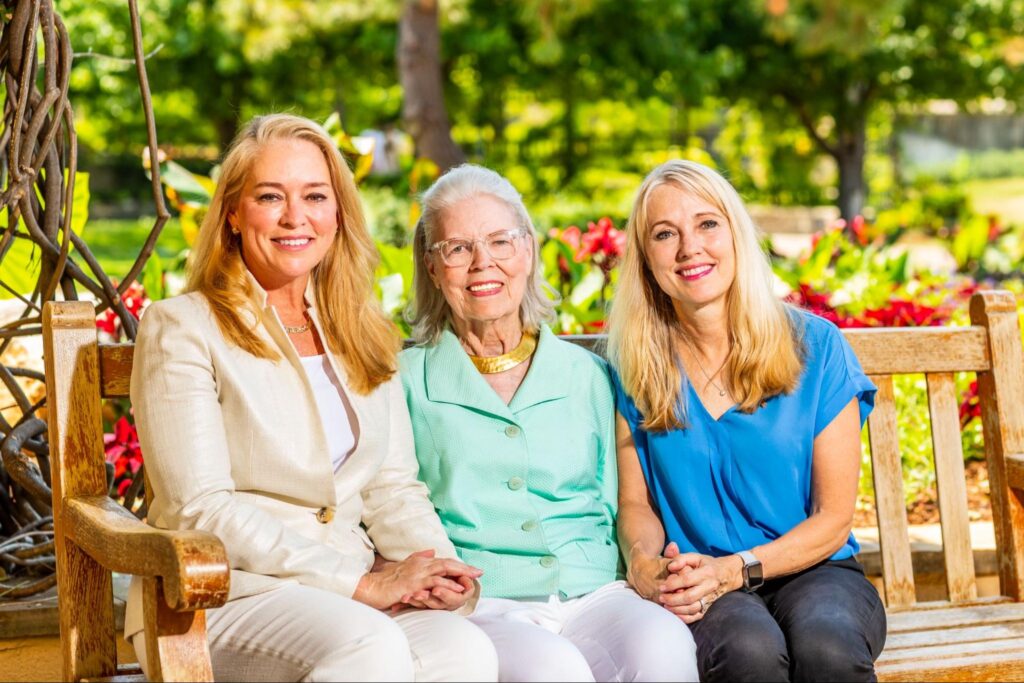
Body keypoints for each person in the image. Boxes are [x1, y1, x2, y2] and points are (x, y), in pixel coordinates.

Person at [125, 114, 498, 682]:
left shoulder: (361, 329)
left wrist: (435, 568)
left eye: (315, 196)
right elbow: (200, 509)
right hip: (221, 594)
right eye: (270, 196)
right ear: (231, 212)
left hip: (348, 595)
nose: (295, 217)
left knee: (464, 650)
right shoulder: (183, 327)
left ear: (338, 213)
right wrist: (361, 584)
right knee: (368, 649)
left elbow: (392, 487)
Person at [399, 164, 698, 682]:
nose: (482, 263)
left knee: (664, 646)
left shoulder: (588, 375)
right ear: (431, 267)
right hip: (483, 603)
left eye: (499, 241)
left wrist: (647, 565)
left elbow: (624, 501)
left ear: (529, 249)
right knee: (553, 671)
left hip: (596, 591)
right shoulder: (404, 382)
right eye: (458, 248)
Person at [607, 159, 887, 682]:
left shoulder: (816, 347)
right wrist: (646, 568)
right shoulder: (636, 367)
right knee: (747, 651)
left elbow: (834, 519)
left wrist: (735, 569)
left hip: (815, 569)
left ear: (735, 233)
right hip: (699, 579)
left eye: (707, 224)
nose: (690, 248)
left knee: (825, 646)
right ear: (646, 259)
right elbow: (635, 504)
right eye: (665, 234)